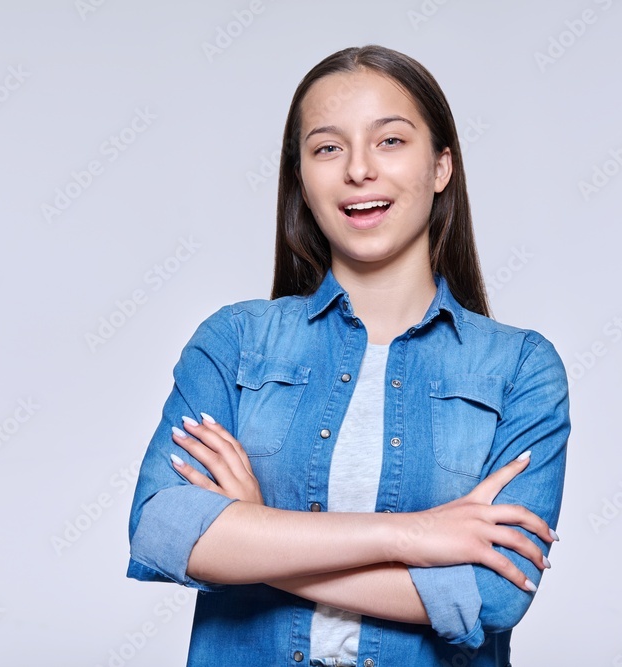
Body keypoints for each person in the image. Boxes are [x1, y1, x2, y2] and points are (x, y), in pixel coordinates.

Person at [126, 44, 570, 667]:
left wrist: (255, 535)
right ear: (303, 181)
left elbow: (491, 593)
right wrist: (411, 534)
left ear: (441, 167)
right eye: (328, 148)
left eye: (390, 141)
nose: (359, 170)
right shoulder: (237, 342)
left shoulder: (519, 367)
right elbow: (164, 530)